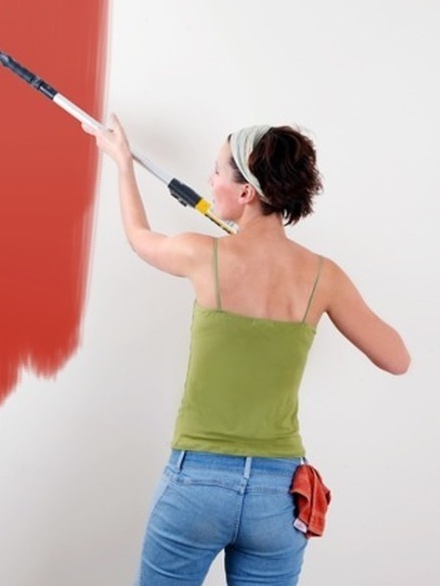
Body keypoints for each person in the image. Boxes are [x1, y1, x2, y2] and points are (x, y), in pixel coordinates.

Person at [82, 116, 410, 586]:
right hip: (277, 499)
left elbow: (140, 238)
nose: (210, 180)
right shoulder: (324, 276)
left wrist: (122, 165)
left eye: (218, 171)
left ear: (245, 192)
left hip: (196, 485)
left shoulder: (204, 254)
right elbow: (397, 359)